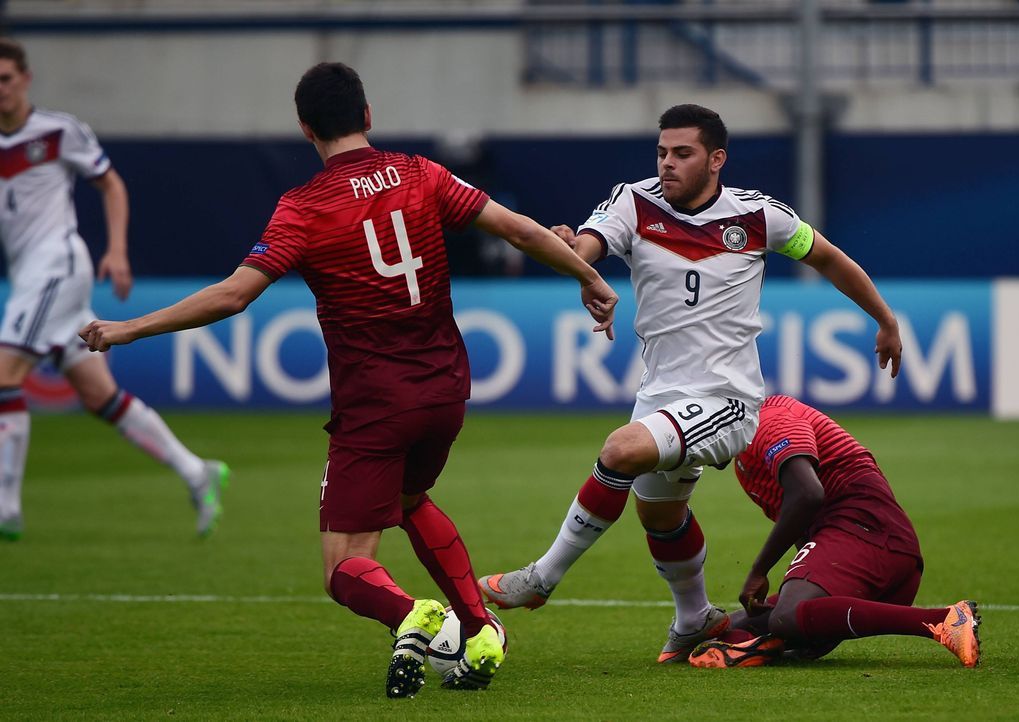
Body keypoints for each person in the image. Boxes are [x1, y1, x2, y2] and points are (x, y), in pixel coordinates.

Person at [80, 62, 618, 698]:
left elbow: (232, 296)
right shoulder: (423, 174)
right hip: (447, 386)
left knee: (344, 569)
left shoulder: (303, 208)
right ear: (368, 115)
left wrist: (126, 329)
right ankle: (481, 626)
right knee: (411, 501)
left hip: (375, 404)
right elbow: (518, 229)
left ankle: (416, 617)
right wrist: (590, 278)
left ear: (306, 129)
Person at [479, 103, 903, 664]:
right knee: (660, 515)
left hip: (727, 398)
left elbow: (828, 259)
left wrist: (885, 318)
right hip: (660, 394)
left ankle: (542, 576)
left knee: (620, 450)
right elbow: (587, 249)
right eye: (661, 152)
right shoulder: (633, 201)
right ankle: (694, 617)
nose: (667, 164)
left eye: (682, 153)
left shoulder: (759, 216)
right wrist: (569, 253)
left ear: (716, 159)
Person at [0, 38, 228, 541]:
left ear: (25, 80)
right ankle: (197, 471)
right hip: (31, 276)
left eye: (6, 80)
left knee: (3, 373)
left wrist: (118, 249)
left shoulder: (58, 132)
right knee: (98, 395)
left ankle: (6, 507)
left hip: (56, 265)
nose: (1, 91)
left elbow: (111, 184)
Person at [688, 394, 980, 669]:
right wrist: (808, 637)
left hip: (871, 534)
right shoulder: (743, 461)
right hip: (868, 554)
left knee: (784, 617)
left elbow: (808, 494)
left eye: (696, 434)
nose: (694, 448)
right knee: (738, 624)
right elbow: (807, 532)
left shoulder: (770, 420)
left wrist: (758, 570)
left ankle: (944, 620)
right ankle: (745, 643)